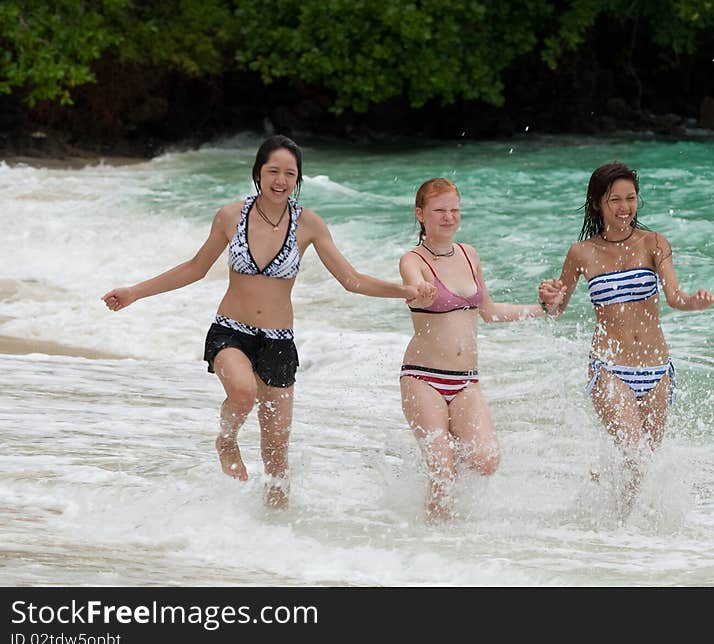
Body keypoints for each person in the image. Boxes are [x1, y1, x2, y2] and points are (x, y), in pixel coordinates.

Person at [102, 135, 435, 509]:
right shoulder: (231, 216)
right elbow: (195, 269)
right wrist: (134, 292)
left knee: (277, 456)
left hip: (278, 342)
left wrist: (403, 289)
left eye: (289, 173)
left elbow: (351, 279)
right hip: (231, 331)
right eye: (273, 170)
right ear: (258, 172)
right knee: (242, 392)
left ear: (298, 179)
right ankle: (226, 439)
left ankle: (274, 533)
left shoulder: (308, 224)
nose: (281, 179)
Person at [538, 162, 714, 513]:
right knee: (635, 453)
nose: (625, 208)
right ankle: (620, 526)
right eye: (615, 200)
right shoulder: (582, 253)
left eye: (631, 198)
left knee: (644, 463)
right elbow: (556, 309)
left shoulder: (654, 243)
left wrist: (693, 304)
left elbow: (674, 297)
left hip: (656, 371)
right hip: (610, 368)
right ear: (597, 204)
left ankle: (617, 524)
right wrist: (548, 299)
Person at [399, 178, 564, 521]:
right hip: (423, 378)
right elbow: (413, 283)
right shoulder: (412, 259)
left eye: (454, 210)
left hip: (465, 381)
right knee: (444, 475)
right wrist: (420, 291)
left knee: (486, 460)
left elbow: (489, 311)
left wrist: (542, 310)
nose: (448, 217)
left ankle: (447, 515)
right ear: (420, 215)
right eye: (439, 210)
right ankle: (432, 544)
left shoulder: (469, 254)